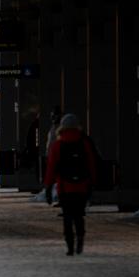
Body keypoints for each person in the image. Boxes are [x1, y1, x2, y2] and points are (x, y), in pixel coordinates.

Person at [44, 113, 97, 256]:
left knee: (67, 216)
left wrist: (48, 187)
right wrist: (92, 182)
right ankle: (80, 238)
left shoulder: (58, 145)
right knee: (79, 215)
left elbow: (51, 168)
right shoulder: (84, 143)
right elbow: (91, 164)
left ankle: (70, 246)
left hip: (64, 187)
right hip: (82, 186)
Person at [43, 106, 63, 205]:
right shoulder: (53, 128)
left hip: (58, 157)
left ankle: (61, 198)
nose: (53, 118)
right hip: (53, 156)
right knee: (57, 179)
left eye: (54, 116)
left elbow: (53, 143)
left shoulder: (60, 129)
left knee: (59, 179)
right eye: (52, 116)